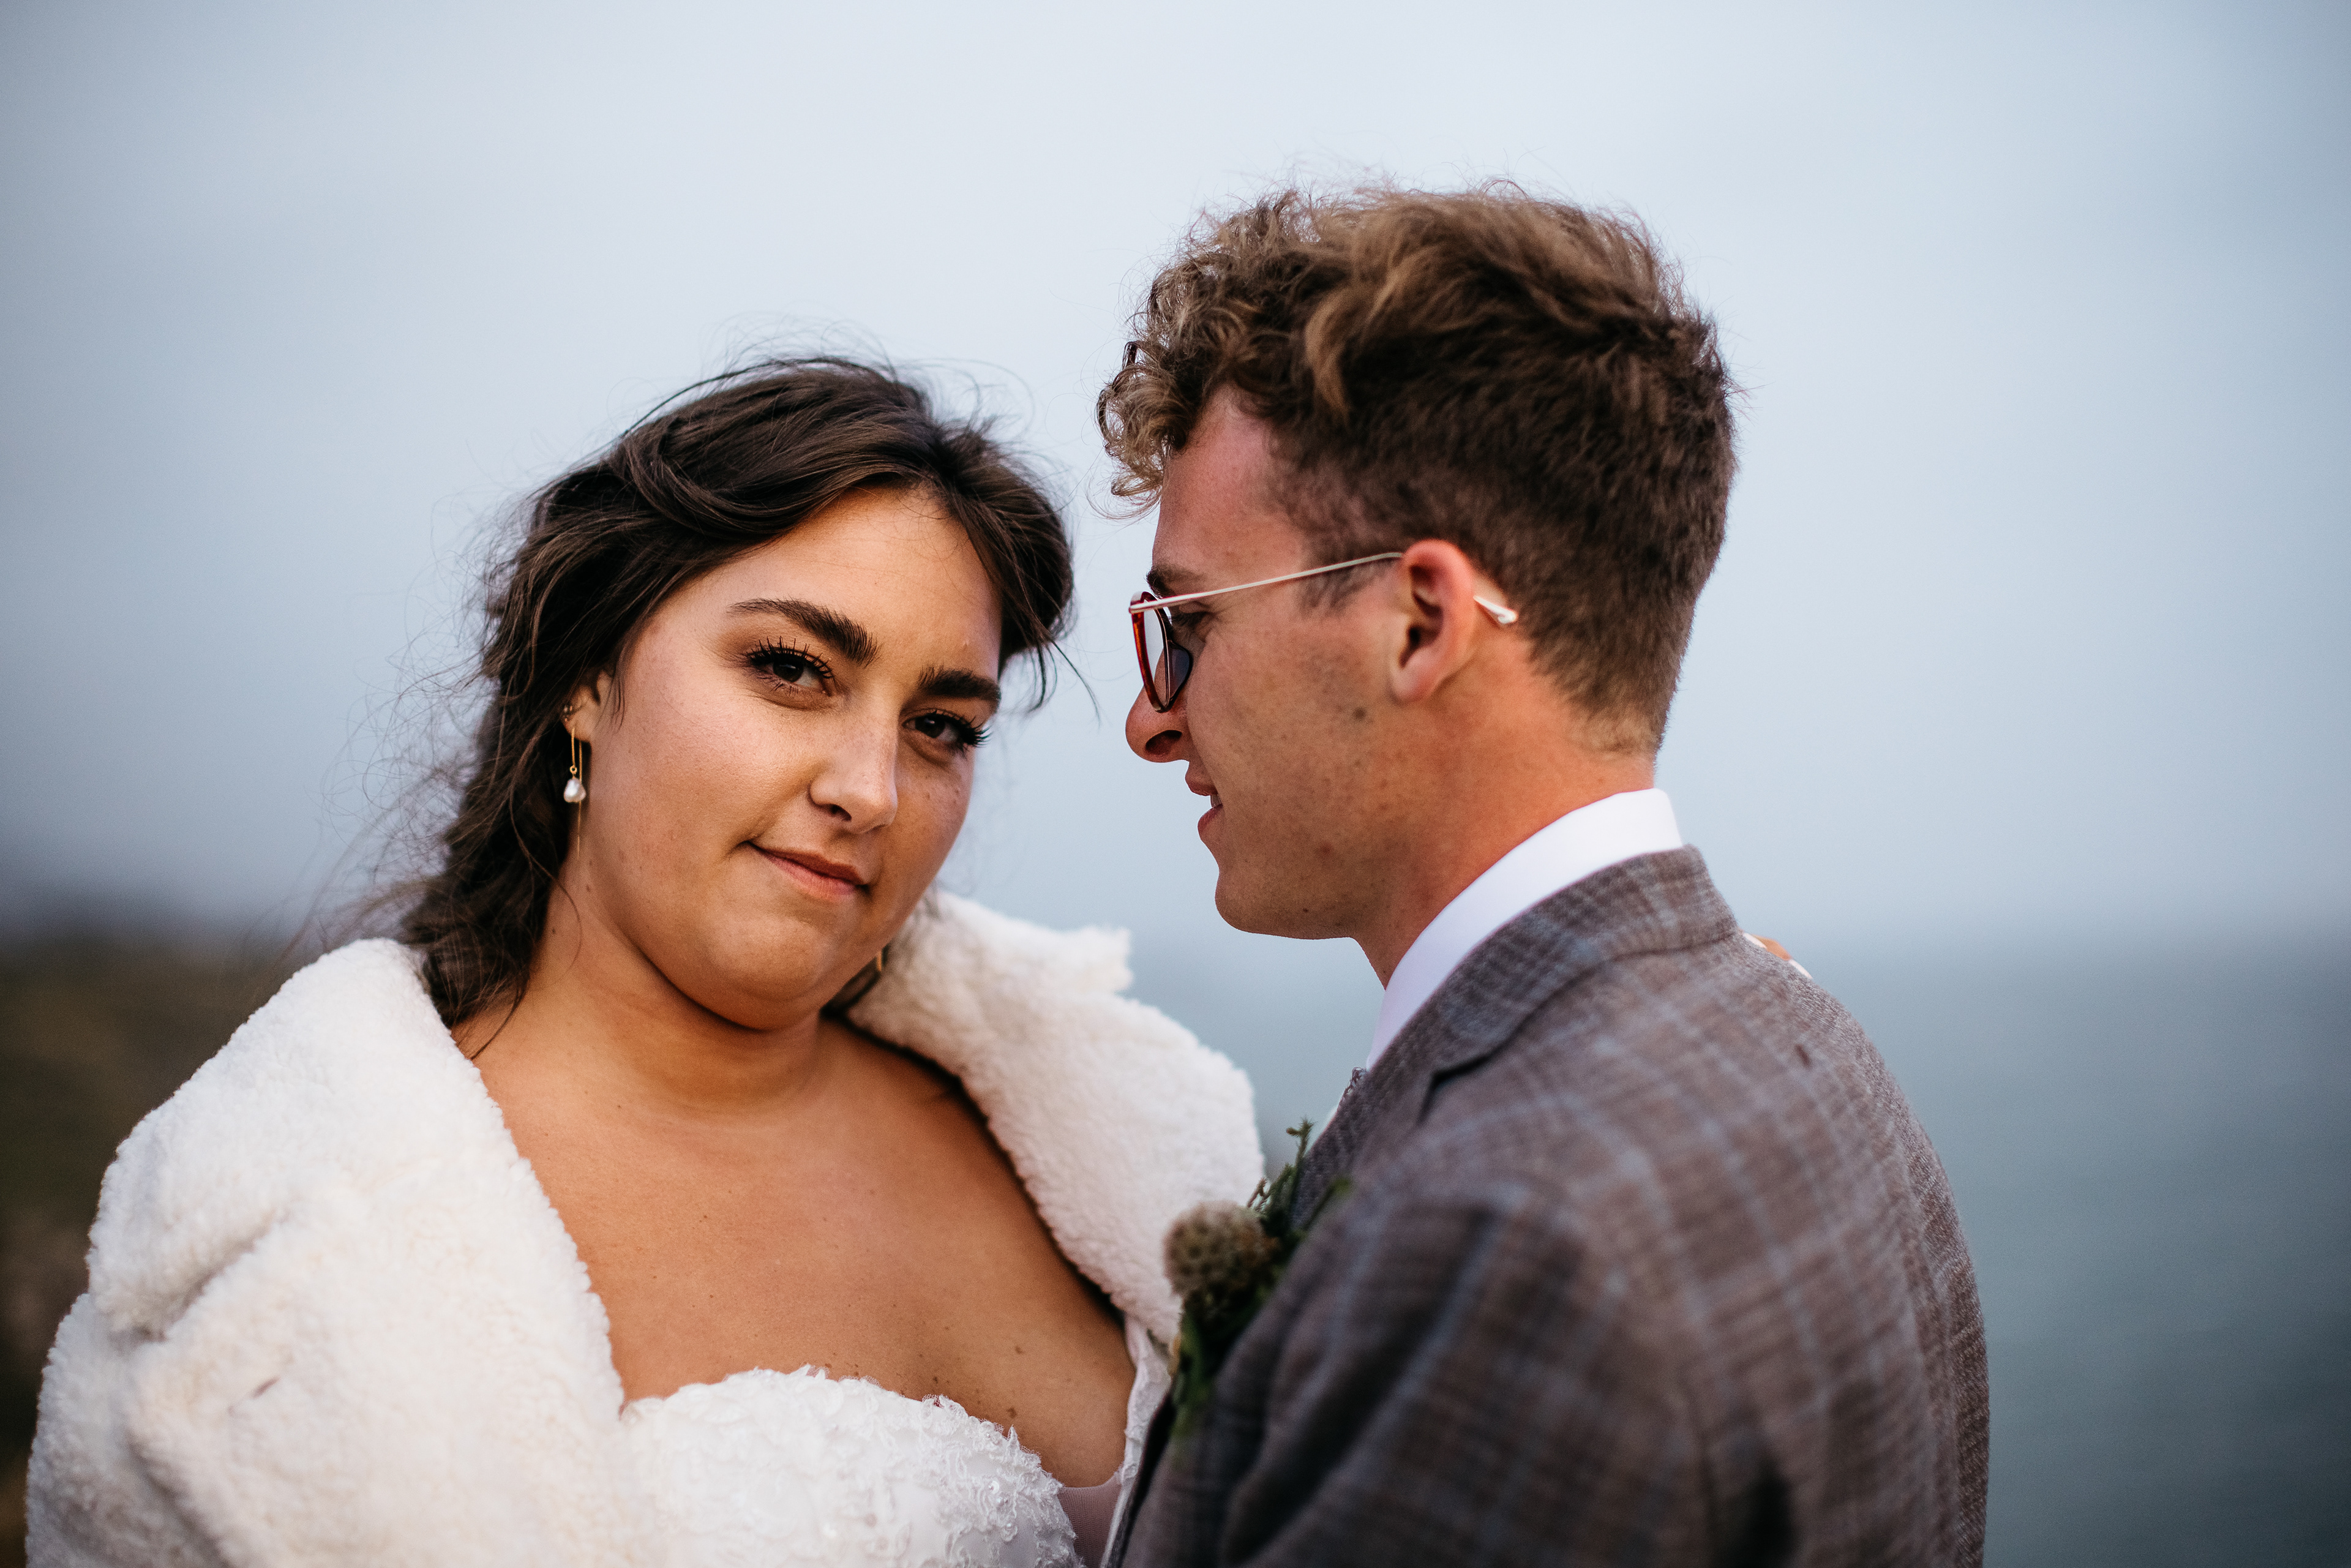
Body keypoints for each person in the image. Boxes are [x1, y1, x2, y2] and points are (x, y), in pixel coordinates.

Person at [28, 359, 1262, 1568]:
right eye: (792, 668)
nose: (871, 789)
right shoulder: (287, 1256)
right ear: (588, 674)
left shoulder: (1097, 1134)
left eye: (940, 726)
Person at [1101, 188, 1989, 1566]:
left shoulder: (1507, 1249)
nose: (1150, 721)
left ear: (1421, 622)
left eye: (1190, 626)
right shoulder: (1805, 1037)